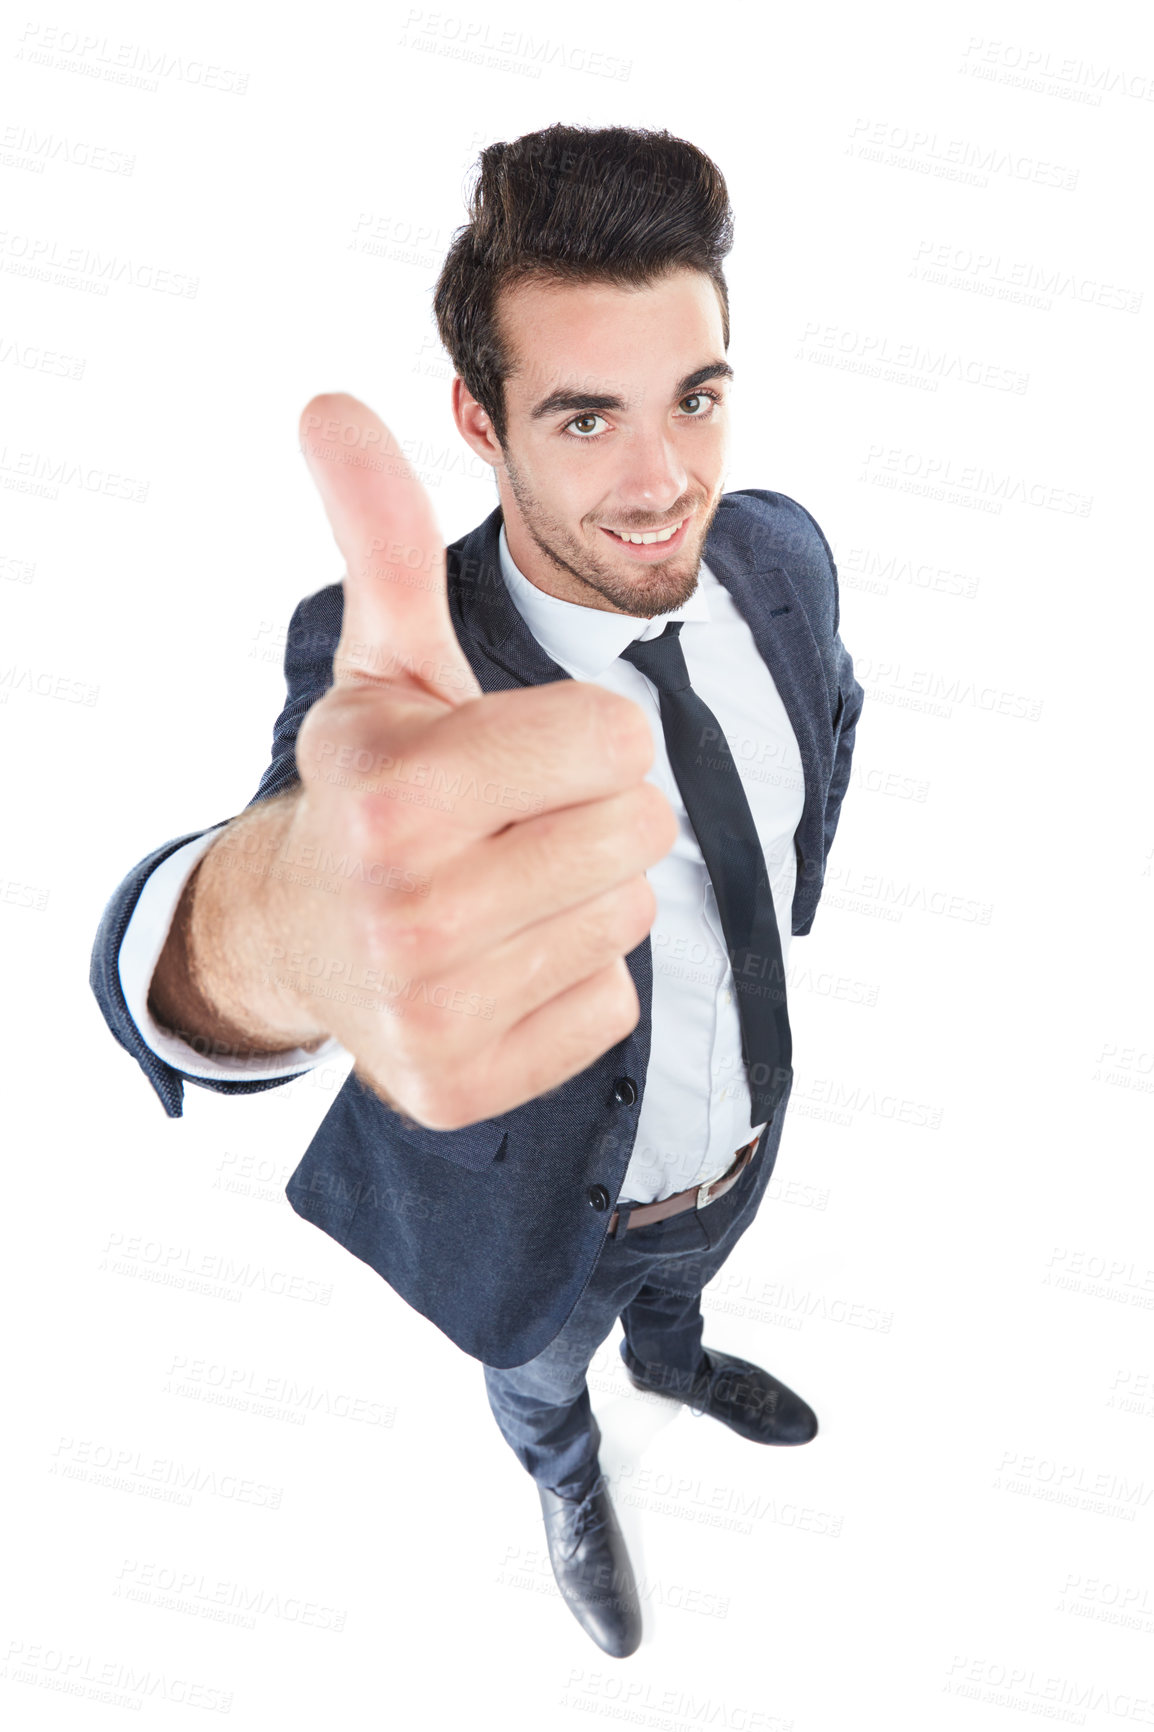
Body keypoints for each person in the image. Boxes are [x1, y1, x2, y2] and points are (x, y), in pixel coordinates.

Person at [90, 123, 864, 1659]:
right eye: (584, 419)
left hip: (741, 1131)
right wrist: (270, 937)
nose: (661, 483)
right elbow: (290, 869)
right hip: (540, 1207)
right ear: (479, 417)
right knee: (540, 1365)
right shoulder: (393, 662)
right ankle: (562, 1471)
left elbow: (828, 714)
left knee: (683, 1280)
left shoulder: (778, 553)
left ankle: (680, 1356)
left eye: (693, 399)